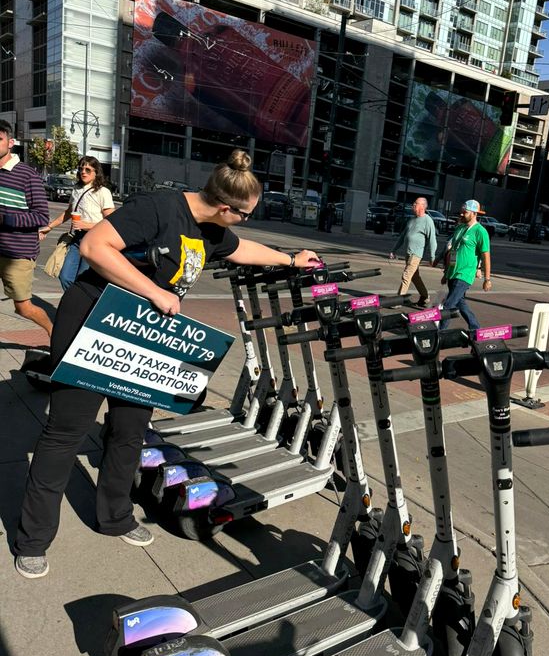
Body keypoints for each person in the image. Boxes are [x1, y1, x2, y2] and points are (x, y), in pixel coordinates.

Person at [13, 150, 320, 579]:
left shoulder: (213, 231)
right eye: (246, 214)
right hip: (94, 319)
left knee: (130, 429)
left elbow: (242, 249)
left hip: (146, 335)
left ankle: (114, 517)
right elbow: (94, 246)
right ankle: (33, 538)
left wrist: (291, 259)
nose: (246, 221)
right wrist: (153, 291)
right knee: (67, 429)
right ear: (227, 206)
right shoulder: (159, 208)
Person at [0, 119, 53, 338]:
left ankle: (53, 332)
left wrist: (6, 219)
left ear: (10, 142)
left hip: (17, 253)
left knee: (23, 307)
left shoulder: (27, 175)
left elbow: (41, 215)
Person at [39, 156, 115, 290]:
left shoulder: (103, 192)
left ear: (96, 172)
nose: (83, 172)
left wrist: (87, 225)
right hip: (76, 240)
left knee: (82, 279)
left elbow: (111, 221)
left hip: (94, 241)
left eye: (88, 169)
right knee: (66, 277)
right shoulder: (76, 189)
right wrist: (49, 227)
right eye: (81, 169)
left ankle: (81, 306)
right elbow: (68, 212)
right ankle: (76, 302)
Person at [435, 199, 491, 331]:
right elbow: (453, 251)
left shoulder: (480, 231)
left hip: (465, 275)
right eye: (461, 212)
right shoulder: (460, 228)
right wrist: (446, 272)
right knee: (460, 303)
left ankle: (439, 334)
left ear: (474, 213)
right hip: (453, 272)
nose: (461, 215)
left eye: (464, 212)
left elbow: (486, 256)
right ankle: (475, 328)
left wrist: (487, 279)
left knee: (448, 305)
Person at [389, 197, 437, 307]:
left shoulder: (427, 220)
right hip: (408, 254)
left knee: (406, 276)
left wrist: (432, 257)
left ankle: (398, 300)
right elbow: (402, 237)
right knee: (415, 277)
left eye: (416, 203)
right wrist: (394, 250)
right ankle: (425, 297)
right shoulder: (412, 219)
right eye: (414, 203)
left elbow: (432, 240)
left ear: (423, 206)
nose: (413, 205)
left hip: (416, 254)